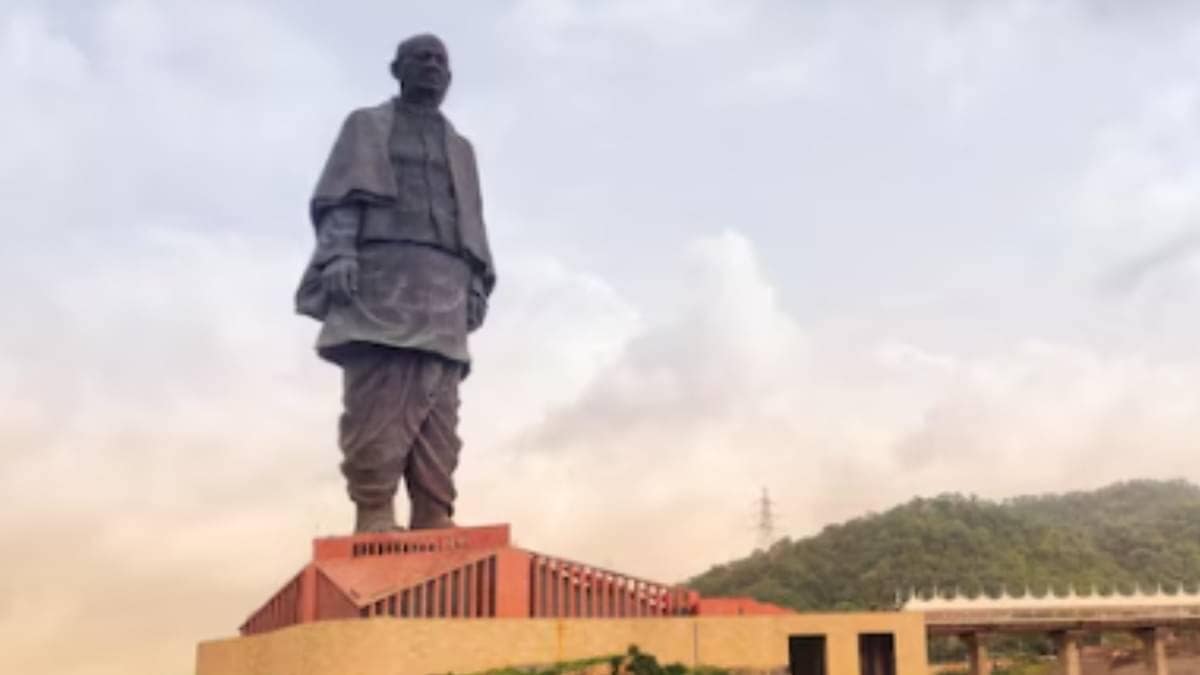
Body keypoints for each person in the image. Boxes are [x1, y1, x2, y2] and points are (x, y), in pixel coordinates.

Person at [294, 33, 495, 532]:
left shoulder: (461, 149)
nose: (432, 67)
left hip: (444, 283)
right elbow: (342, 199)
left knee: (440, 397)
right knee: (378, 394)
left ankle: (433, 509)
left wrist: (474, 284)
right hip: (382, 274)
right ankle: (374, 508)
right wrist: (339, 253)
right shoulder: (367, 126)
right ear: (396, 69)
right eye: (421, 58)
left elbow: (471, 222)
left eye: (441, 61)